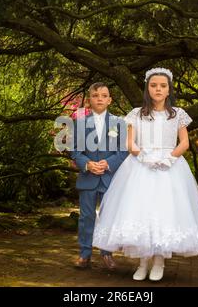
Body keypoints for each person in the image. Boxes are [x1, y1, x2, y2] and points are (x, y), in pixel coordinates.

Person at [93, 67, 198, 281]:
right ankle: (142, 262)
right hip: (141, 166)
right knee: (141, 212)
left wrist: (170, 158)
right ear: (147, 89)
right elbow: (129, 142)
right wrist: (143, 157)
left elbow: (184, 142)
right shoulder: (136, 113)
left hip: (170, 167)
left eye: (163, 86)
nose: (158, 89)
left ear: (169, 90)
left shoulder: (177, 114)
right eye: (154, 85)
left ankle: (159, 262)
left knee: (163, 213)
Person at [69, 82, 129, 270]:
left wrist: (108, 163)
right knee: (86, 217)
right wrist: (87, 164)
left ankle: (107, 254)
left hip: (109, 179)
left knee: (107, 217)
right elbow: (75, 151)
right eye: (95, 96)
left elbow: (123, 150)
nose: (100, 98)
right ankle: (84, 254)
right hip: (88, 178)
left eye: (104, 95)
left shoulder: (118, 123)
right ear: (89, 100)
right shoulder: (79, 124)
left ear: (110, 100)